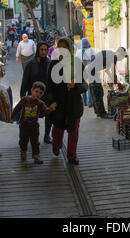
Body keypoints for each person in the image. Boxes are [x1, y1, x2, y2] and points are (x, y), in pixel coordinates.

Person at [47, 37, 88, 165]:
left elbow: (85, 85)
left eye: (65, 47)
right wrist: (51, 101)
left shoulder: (77, 63)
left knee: (73, 131)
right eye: (60, 47)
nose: (62, 50)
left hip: (73, 104)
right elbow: (48, 86)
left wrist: (75, 85)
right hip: (58, 103)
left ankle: (72, 155)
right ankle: (56, 145)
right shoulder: (53, 64)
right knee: (58, 129)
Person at [11, 82, 57, 164]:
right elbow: (17, 108)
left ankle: (36, 155)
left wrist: (50, 109)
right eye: (36, 91)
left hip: (34, 127)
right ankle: (23, 152)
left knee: (35, 142)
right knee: (23, 140)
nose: (38, 94)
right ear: (32, 90)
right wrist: (11, 117)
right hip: (23, 125)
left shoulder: (40, 103)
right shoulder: (25, 99)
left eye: (41, 93)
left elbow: (45, 112)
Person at [20, 41, 53, 144]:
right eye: (41, 49)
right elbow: (25, 80)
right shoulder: (31, 63)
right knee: (32, 118)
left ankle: (47, 135)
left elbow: (53, 80)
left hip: (47, 95)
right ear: (38, 50)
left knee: (49, 115)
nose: (43, 52)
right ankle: (31, 137)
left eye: (45, 50)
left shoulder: (50, 63)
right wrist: (22, 95)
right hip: (34, 96)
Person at [86, 47, 127, 118]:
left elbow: (108, 71)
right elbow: (113, 73)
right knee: (97, 92)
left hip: (92, 71)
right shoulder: (113, 57)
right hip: (92, 71)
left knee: (98, 92)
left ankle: (99, 112)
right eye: (122, 57)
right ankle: (101, 114)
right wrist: (118, 84)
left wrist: (116, 82)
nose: (122, 59)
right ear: (119, 53)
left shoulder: (110, 55)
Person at [76, 38, 95, 108]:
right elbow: (94, 60)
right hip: (89, 69)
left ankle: (84, 102)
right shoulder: (92, 50)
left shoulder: (78, 52)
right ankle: (90, 102)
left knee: (83, 85)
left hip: (81, 70)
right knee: (90, 86)